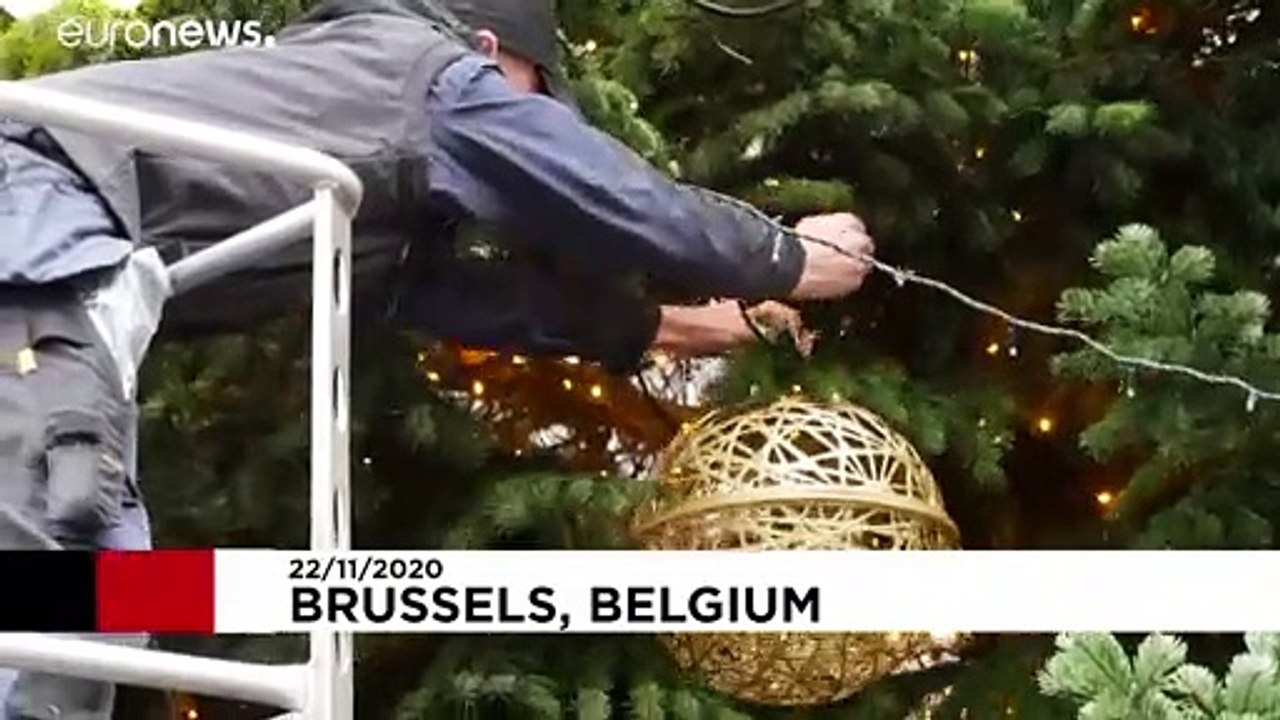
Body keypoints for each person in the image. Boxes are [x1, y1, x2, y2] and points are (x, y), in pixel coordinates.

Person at [0, 0, 875, 716]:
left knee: (103, 603)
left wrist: (698, 326)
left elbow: (478, 300)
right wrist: (785, 255)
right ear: (491, 51)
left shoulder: (358, 176)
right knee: (61, 596)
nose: (525, 120)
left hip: (52, 276)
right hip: (34, 246)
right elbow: (610, 195)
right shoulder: (425, 69)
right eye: (530, 97)